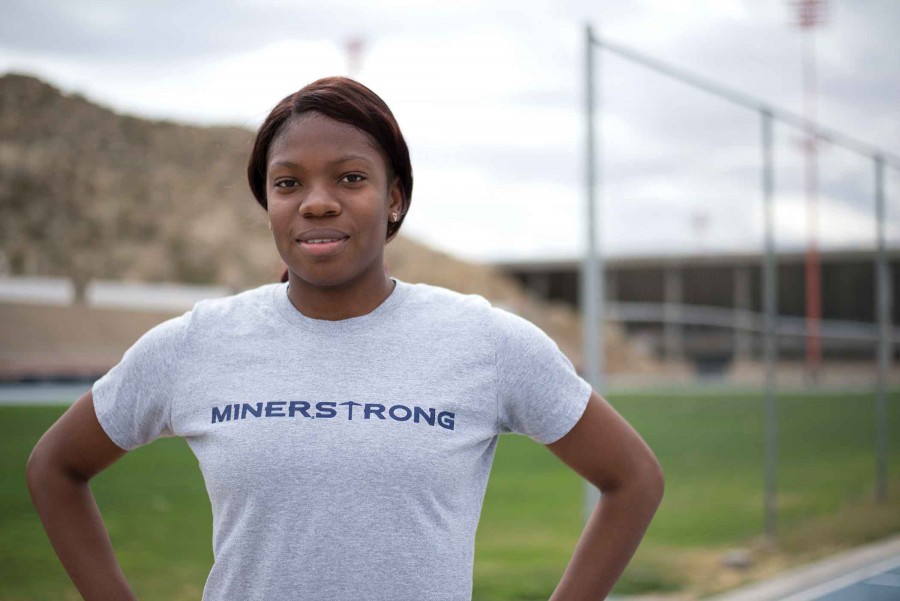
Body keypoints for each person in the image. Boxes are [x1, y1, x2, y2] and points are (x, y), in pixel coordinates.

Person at [26, 76, 664, 601]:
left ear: (395, 199)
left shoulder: (484, 340)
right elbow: (55, 467)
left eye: (351, 178)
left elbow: (633, 477)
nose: (317, 202)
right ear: (268, 202)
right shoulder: (199, 342)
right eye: (288, 183)